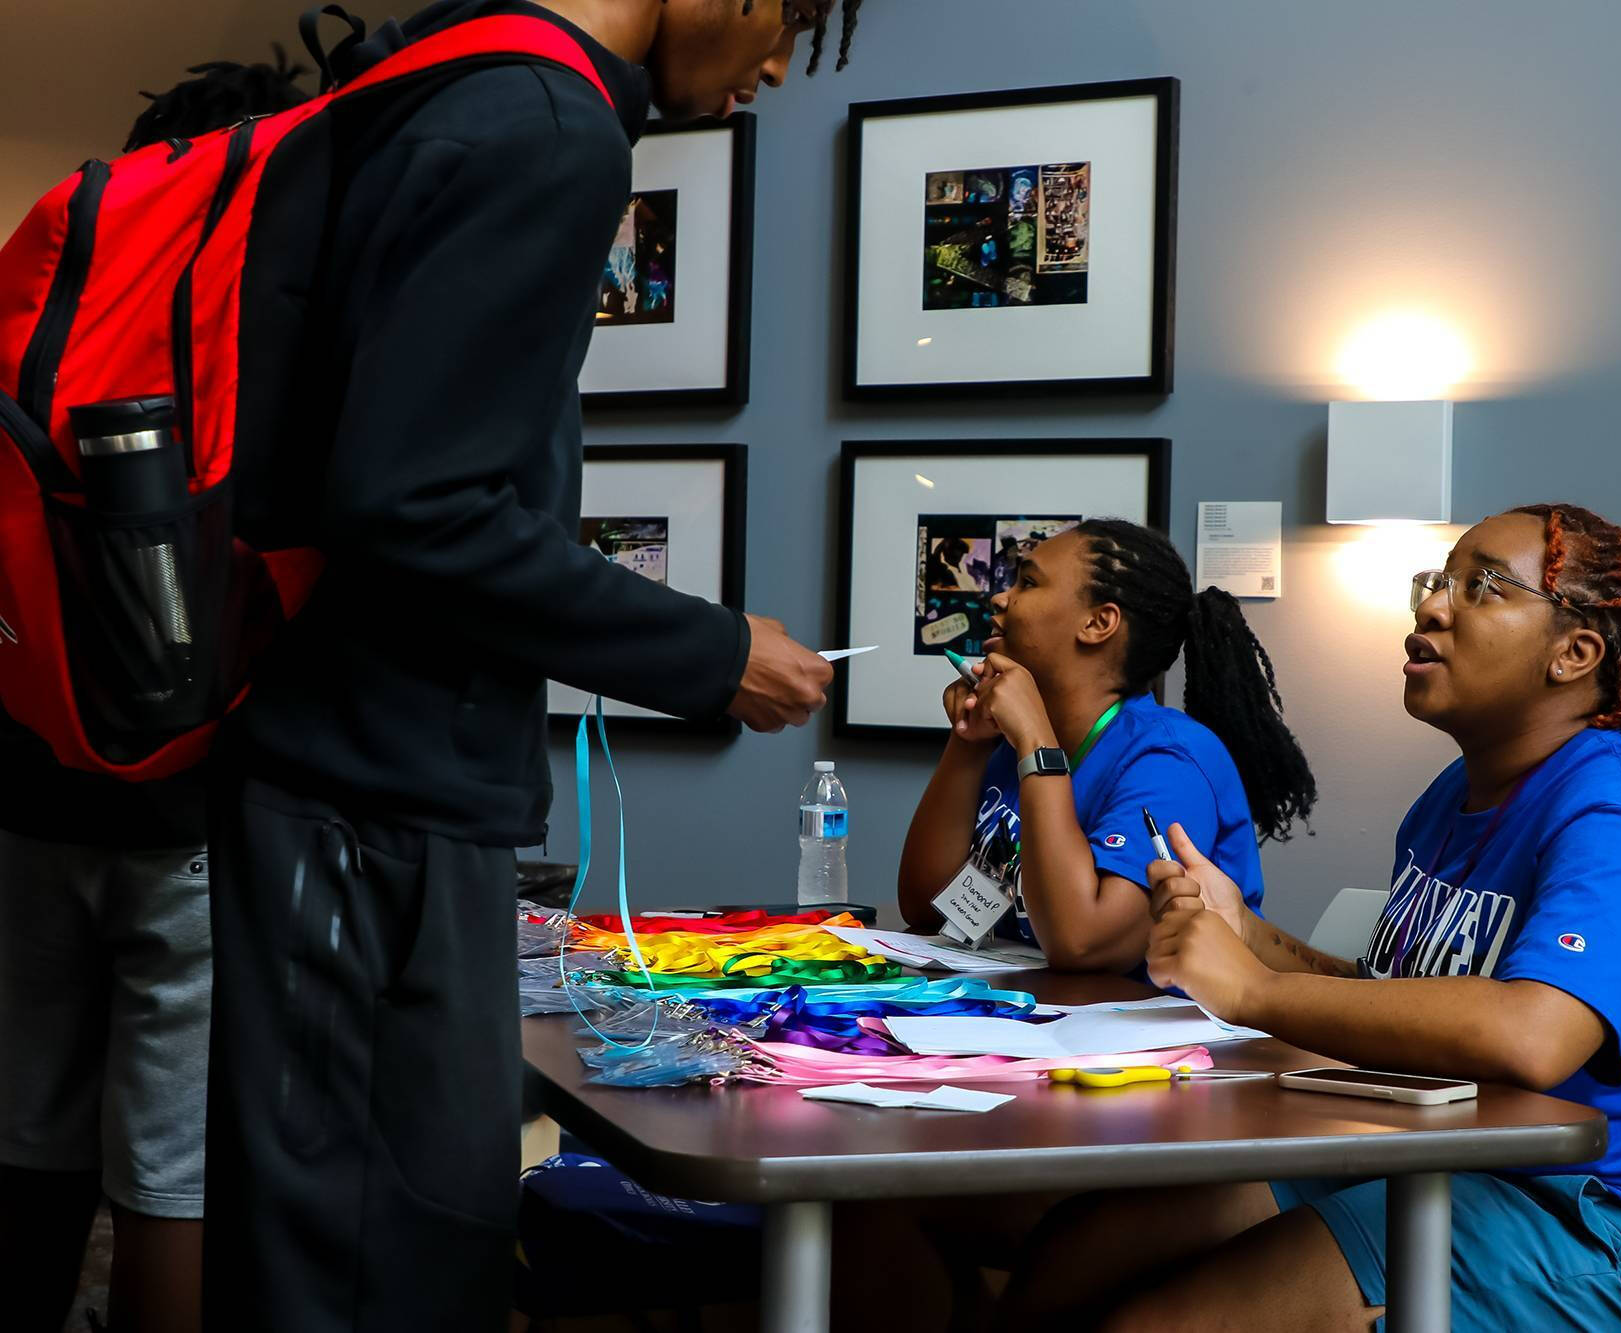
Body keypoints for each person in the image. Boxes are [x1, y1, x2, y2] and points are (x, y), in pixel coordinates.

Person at [199, 3, 861, 1330]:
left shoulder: (444, 81)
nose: (779, 62)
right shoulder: (552, 126)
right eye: (790, 18)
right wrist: (716, 652)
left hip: (345, 784)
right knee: (379, 1266)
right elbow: (415, 504)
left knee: (373, 1247)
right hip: (374, 804)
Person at [999, 503, 1621, 1331]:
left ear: (1574, 653)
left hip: (1603, 1226)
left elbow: (1530, 1035)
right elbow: (1401, 994)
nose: (1430, 606)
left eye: (1483, 588)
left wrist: (1248, 989)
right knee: (1074, 1254)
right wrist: (1248, 936)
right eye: (1437, 582)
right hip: (1443, 1152)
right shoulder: (1451, 800)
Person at [0, 51, 310, 1333]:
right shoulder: (257, 283)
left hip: (29, 777)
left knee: (25, 1143)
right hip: (193, 802)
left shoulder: (73, 271)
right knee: (170, 1182)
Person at [897, 519, 1316, 972]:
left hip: (1161, 1035)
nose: (1000, 597)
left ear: (1098, 623)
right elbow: (926, 909)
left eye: (1029, 582)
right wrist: (968, 745)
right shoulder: (1010, 746)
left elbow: (1085, 944)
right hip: (1031, 1020)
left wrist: (1036, 740)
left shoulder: (1169, 760)